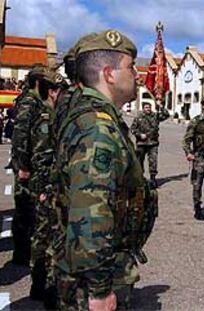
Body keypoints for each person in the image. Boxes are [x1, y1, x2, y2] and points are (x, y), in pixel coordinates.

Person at [54, 30, 147, 311]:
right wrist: (99, 290)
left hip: (83, 268)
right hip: (93, 280)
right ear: (109, 74)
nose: (138, 74)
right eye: (131, 67)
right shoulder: (98, 129)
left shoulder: (90, 117)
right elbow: (92, 212)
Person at [28, 70, 66, 307]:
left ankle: (43, 285)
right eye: (61, 92)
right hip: (45, 188)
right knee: (44, 236)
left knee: (48, 236)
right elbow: (41, 159)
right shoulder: (46, 119)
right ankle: (40, 284)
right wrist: (43, 190)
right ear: (52, 92)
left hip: (51, 186)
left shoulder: (54, 116)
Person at [10, 65, 47, 266]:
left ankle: (24, 251)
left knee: (28, 208)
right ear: (38, 83)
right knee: (24, 208)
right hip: (26, 165)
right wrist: (22, 165)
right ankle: (22, 254)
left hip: (31, 162)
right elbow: (20, 135)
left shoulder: (34, 100)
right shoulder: (29, 102)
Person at [131, 101, 169, 187]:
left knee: (153, 162)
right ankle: (140, 178)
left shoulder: (155, 116)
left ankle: (153, 178)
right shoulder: (138, 118)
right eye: (146, 107)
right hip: (141, 144)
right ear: (143, 108)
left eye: (149, 107)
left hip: (153, 143)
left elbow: (166, 115)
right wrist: (140, 135)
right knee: (139, 162)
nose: (148, 109)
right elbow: (132, 129)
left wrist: (161, 106)